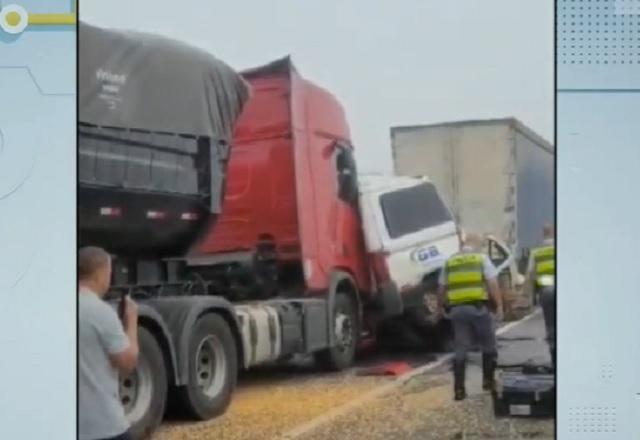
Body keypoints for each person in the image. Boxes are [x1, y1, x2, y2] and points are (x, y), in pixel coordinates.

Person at [79, 246, 139, 440]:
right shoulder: (100, 311)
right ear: (100, 273)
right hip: (102, 425)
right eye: (109, 272)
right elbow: (127, 362)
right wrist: (131, 322)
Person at [437, 233, 503, 401]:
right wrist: (498, 305)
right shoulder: (481, 259)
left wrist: (439, 308)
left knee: (461, 348)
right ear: (477, 245)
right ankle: (488, 382)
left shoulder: (450, 262)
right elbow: (492, 283)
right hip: (478, 309)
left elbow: (441, 288)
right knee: (488, 345)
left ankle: (459, 390)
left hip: (457, 311)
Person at [526, 223, 555, 367]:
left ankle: (554, 358)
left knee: (551, 326)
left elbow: (530, 275)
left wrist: (530, 298)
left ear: (543, 235)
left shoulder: (537, 252)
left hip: (547, 291)